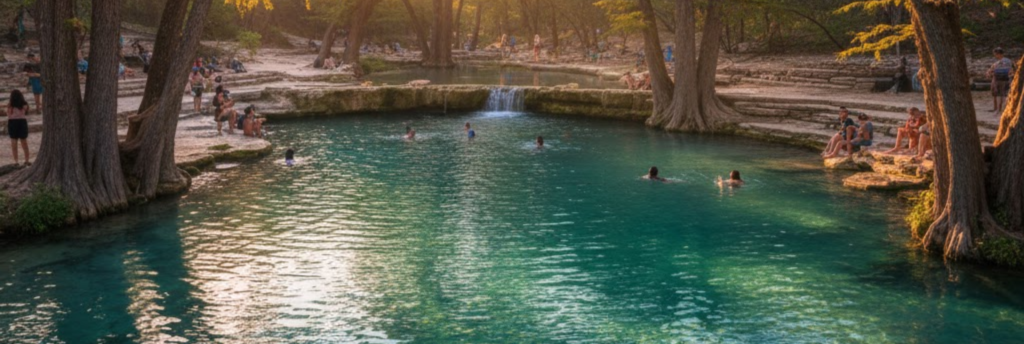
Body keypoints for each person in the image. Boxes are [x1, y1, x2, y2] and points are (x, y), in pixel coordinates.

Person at [5, 90, 31, 166]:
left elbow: (8, 114)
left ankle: (16, 161)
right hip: (22, 122)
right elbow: (26, 111)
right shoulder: (24, 104)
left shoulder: (10, 105)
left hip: (12, 123)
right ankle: (27, 160)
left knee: (14, 142)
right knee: (24, 142)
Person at [988, 47, 1015, 112]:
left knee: (997, 94)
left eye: (995, 54)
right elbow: (1013, 69)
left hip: (999, 79)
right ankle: (999, 108)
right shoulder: (1009, 61)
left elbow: (994, 70)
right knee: (1002, 94)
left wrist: (990, 72)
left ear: (998, 54)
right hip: (1005, 79)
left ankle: (997, 108)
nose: (995, 56)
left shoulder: (999, 62)